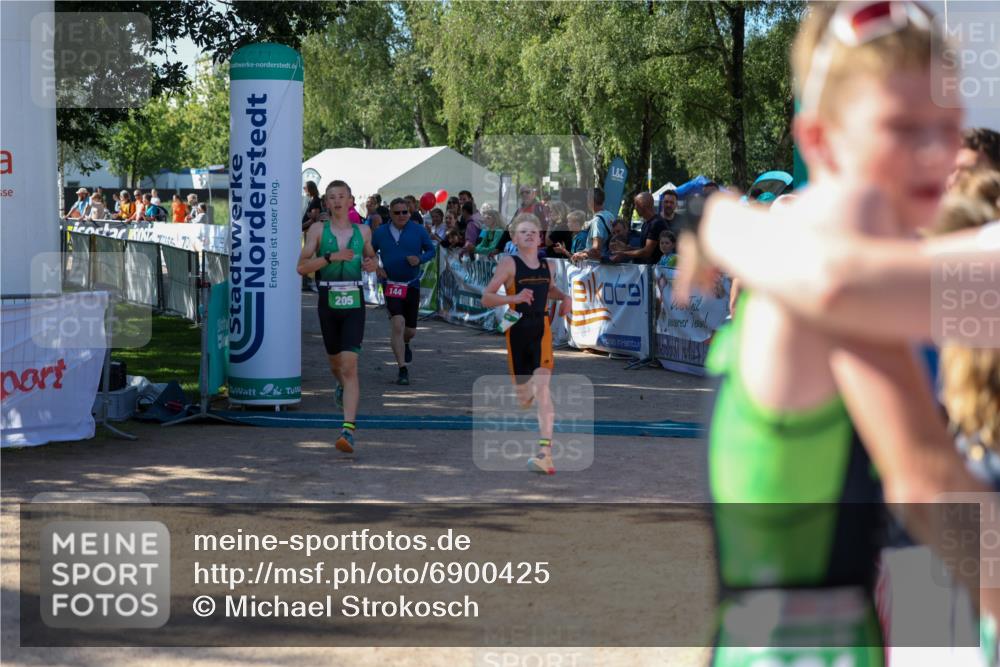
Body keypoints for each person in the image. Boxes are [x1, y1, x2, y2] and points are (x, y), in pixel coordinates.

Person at [683, 4, 1000, 665]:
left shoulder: (803, 254)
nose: (937, 155)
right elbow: (926, 479)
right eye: (902, 128)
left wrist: (713, 218)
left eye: (947, 128)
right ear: (821, 140)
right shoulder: (839, 244)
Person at [481, 213, 571, 475]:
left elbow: (550, 290)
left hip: (540, 329)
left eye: (534, 231)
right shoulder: (509, 264)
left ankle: (545, 454)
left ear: (540, 236)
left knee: (543, 387)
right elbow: (486, 297)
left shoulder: (547, 266)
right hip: (517, 330)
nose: (530, 235)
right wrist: (515, 297)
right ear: (514, 237)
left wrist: (564, 297)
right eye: (523, 232)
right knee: (525, 395)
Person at [297, 180, 377, 454]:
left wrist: (372, 263)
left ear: (351, 200)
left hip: (354, 301)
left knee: (350, 366)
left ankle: (348, 430)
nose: (337, 201)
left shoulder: (363, 231)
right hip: (327, 301)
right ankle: (340, 385)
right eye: (332, 197)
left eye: (342, 196)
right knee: (336, 365)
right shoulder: (318, 230)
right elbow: (301, 266)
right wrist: (331, 257)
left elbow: (372, 259)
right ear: (326, 203)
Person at [371, 198, 436, 386]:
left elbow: (431, 251)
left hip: (412, 284)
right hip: (391, 284)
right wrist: (377, 268)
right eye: (397, 212)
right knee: (398, 324)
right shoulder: (381, 232)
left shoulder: (418, 230)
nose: (402, 216)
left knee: (410, 331)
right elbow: (370, 252)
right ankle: (402, 368)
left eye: (405, 212)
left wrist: (419, 259)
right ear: (390, 214)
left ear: (410, 212)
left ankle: (406, 343)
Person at [611, 191, 666, 264]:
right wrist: (626, 248)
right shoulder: (646, 223)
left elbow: (647, 252)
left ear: (643, 205)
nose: (635, 208)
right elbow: (643, 248)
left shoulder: (656, 223)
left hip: (655, 271)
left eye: (636, 205)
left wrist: (624, 253)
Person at [571, 188, 615, 262]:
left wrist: (581, 255)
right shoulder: (610, 215)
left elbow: (596, 250)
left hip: (596, 265)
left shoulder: (597, 221)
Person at [302, 180, 323, 292]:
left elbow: (314, 218)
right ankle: (308, 281)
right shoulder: (312, 200)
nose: (304, 190)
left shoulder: (315, 201)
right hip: (307, 231)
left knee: (311, 256)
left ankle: (312, 282)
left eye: (305, 188)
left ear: (310, 188)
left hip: (311, 232)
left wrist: (300, 226)